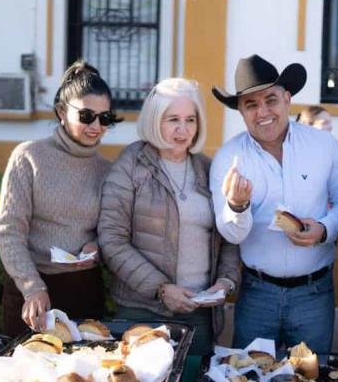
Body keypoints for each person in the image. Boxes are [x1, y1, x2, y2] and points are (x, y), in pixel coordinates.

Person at [209, 54, 338, 352]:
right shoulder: (228, 158)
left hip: (315, 293)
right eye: (251, 104)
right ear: (241, 111)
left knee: (313, 373)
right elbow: (231, 234)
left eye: (270, 100)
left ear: (287, 99)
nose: (263, 111)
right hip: (257, 293)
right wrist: (237, 206)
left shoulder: (325, 146)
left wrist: (324, 229)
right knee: (248, 373)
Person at [98, 78, 240, 356]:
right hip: (143, 309)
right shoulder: (130, 165)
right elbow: (112, 240)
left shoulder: (209, 168)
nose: (182, 130)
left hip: (200, 310)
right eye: (173, 119)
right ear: (154, 120)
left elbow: (229, 236)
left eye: (190, 120)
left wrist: (226, 281)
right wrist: (162, 289)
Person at [0, 60, 119, 336]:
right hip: (32, 292)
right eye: (86, 116)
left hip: (84, 288)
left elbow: (113, 230)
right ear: (62, 112)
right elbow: (9, 231)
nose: (96, 126)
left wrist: (97, 246)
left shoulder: (107, 169)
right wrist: (32, 287)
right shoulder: (28, 156)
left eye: (105, 118)